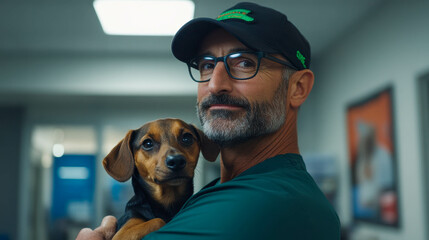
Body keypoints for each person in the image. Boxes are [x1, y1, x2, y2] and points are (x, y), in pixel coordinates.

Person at [77, 2, 341, 239]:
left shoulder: (269, 203)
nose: (215, 84)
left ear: (298, 88)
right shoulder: (220, 191)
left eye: (244, 63)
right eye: (206, 64)